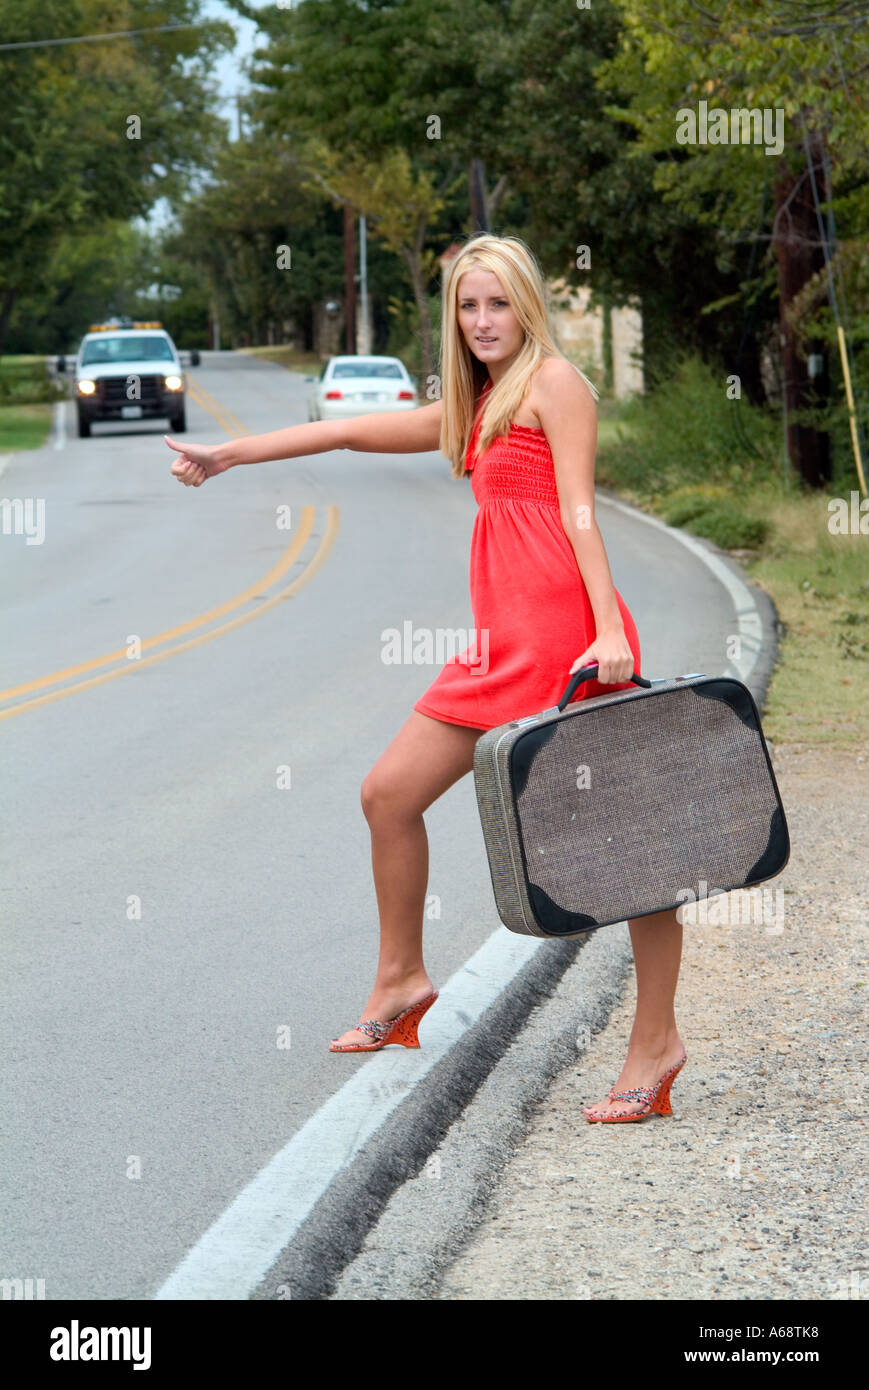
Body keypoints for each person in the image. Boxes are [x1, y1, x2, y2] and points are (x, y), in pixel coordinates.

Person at [164, 232, 687, 1123]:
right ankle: (401, 980)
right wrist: (230, 455)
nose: (483, 320)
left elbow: (579, 511)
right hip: (497, 647)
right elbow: (347, 429)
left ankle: (655, 1042)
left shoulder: (555, 385)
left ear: (527, 305)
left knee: (627, 850)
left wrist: (607, 627)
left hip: (569, 640)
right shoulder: (476, 405)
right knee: (387, 794)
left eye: (497, 302)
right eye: (467, 305)